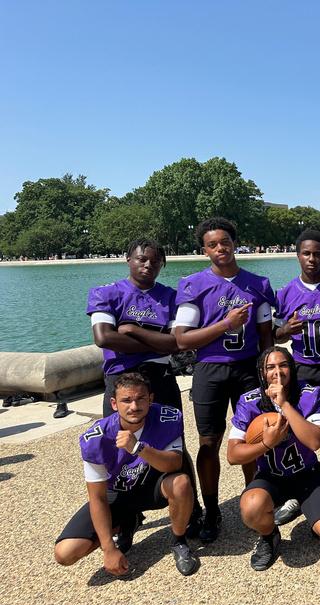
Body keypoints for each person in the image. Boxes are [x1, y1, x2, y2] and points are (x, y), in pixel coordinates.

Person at [86, 237, 202, 542]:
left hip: (160, 379)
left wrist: (133, 331)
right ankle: (127, 516)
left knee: (175, 445)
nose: (148, 264)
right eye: (141, 259)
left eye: (154, 260)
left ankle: (192, 510)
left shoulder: (171, 297)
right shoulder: (106, 293)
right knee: (119, 447)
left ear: (162, 264)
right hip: (120, 379)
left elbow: (176, 343)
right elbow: (103, 337)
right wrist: (154, 342)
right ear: (128, 259)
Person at [173, 217, 275, 543]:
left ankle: (254, 499)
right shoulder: (195, 285)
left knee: (253, 437)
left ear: (234, 243)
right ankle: (212, 509)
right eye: (212, 244)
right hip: (210, 370)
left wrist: (269, 373)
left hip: (247, 368)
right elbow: (182, 339)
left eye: (225, 242)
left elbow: (266, 335)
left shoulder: (257, 284)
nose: (220, 248)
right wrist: (225, 324)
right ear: (204, 250)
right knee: (208, 442)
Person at [54, 373, 200, 576]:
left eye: (140, 398)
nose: (134, 406)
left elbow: (174, 463)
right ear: (114, 404)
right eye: (126, 400)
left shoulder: (167, 417)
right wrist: (108, 548)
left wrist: (138, 448)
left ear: (150, 399)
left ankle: (179, 541)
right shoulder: (96, 438)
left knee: (181, 483)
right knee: (65, 553)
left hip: (153, 486)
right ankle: (126, 522)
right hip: (118, 495)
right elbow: (98, 497)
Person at [227, 347, 320, 571]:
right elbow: (232, 455)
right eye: (270, 367)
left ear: (292, 368)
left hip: (307, 474)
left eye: (283, 365)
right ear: (262, 372)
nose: (277, 371)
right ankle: (269, 536)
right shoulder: (249, 401)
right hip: (271, 476)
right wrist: (265, 444)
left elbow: (315, 441)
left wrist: (284, 405)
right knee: (251, 508)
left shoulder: (310, 393)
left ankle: (314, 511)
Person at [273, 229, 320, 524]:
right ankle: (298, 491)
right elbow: (272, 334)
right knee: (296, 430)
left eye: (317, 253)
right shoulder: (286, 293)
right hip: (301, 369)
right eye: (306, 253)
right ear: (297, 255)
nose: (311, 258)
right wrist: (284, 330)